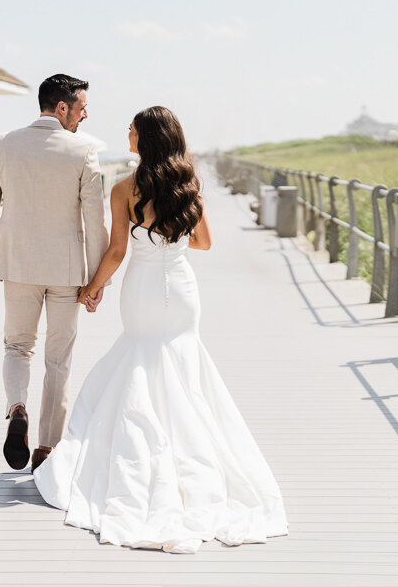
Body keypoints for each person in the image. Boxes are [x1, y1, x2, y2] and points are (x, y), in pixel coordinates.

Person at [32, 106, 288, 553]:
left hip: (143, 289)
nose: (126, 135)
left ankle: (145, 457)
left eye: (131, 130)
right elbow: (204, 242)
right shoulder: (189, 183)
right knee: (183, 367)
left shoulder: (124, 189)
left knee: (139, 359)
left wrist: (91, 289)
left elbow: (115, 252)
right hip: (182, 290)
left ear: (144, 139)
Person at [0, 74, 109, 473]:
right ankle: (47, 448)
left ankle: (16, 408)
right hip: (67, 270)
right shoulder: (84, 151)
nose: (85, 115)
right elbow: (93, 217)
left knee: (17, 346)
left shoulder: (4, 145)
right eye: (81, 108)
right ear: (62, 107)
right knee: (58, 359)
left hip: (17, 265)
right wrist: (97, 279)